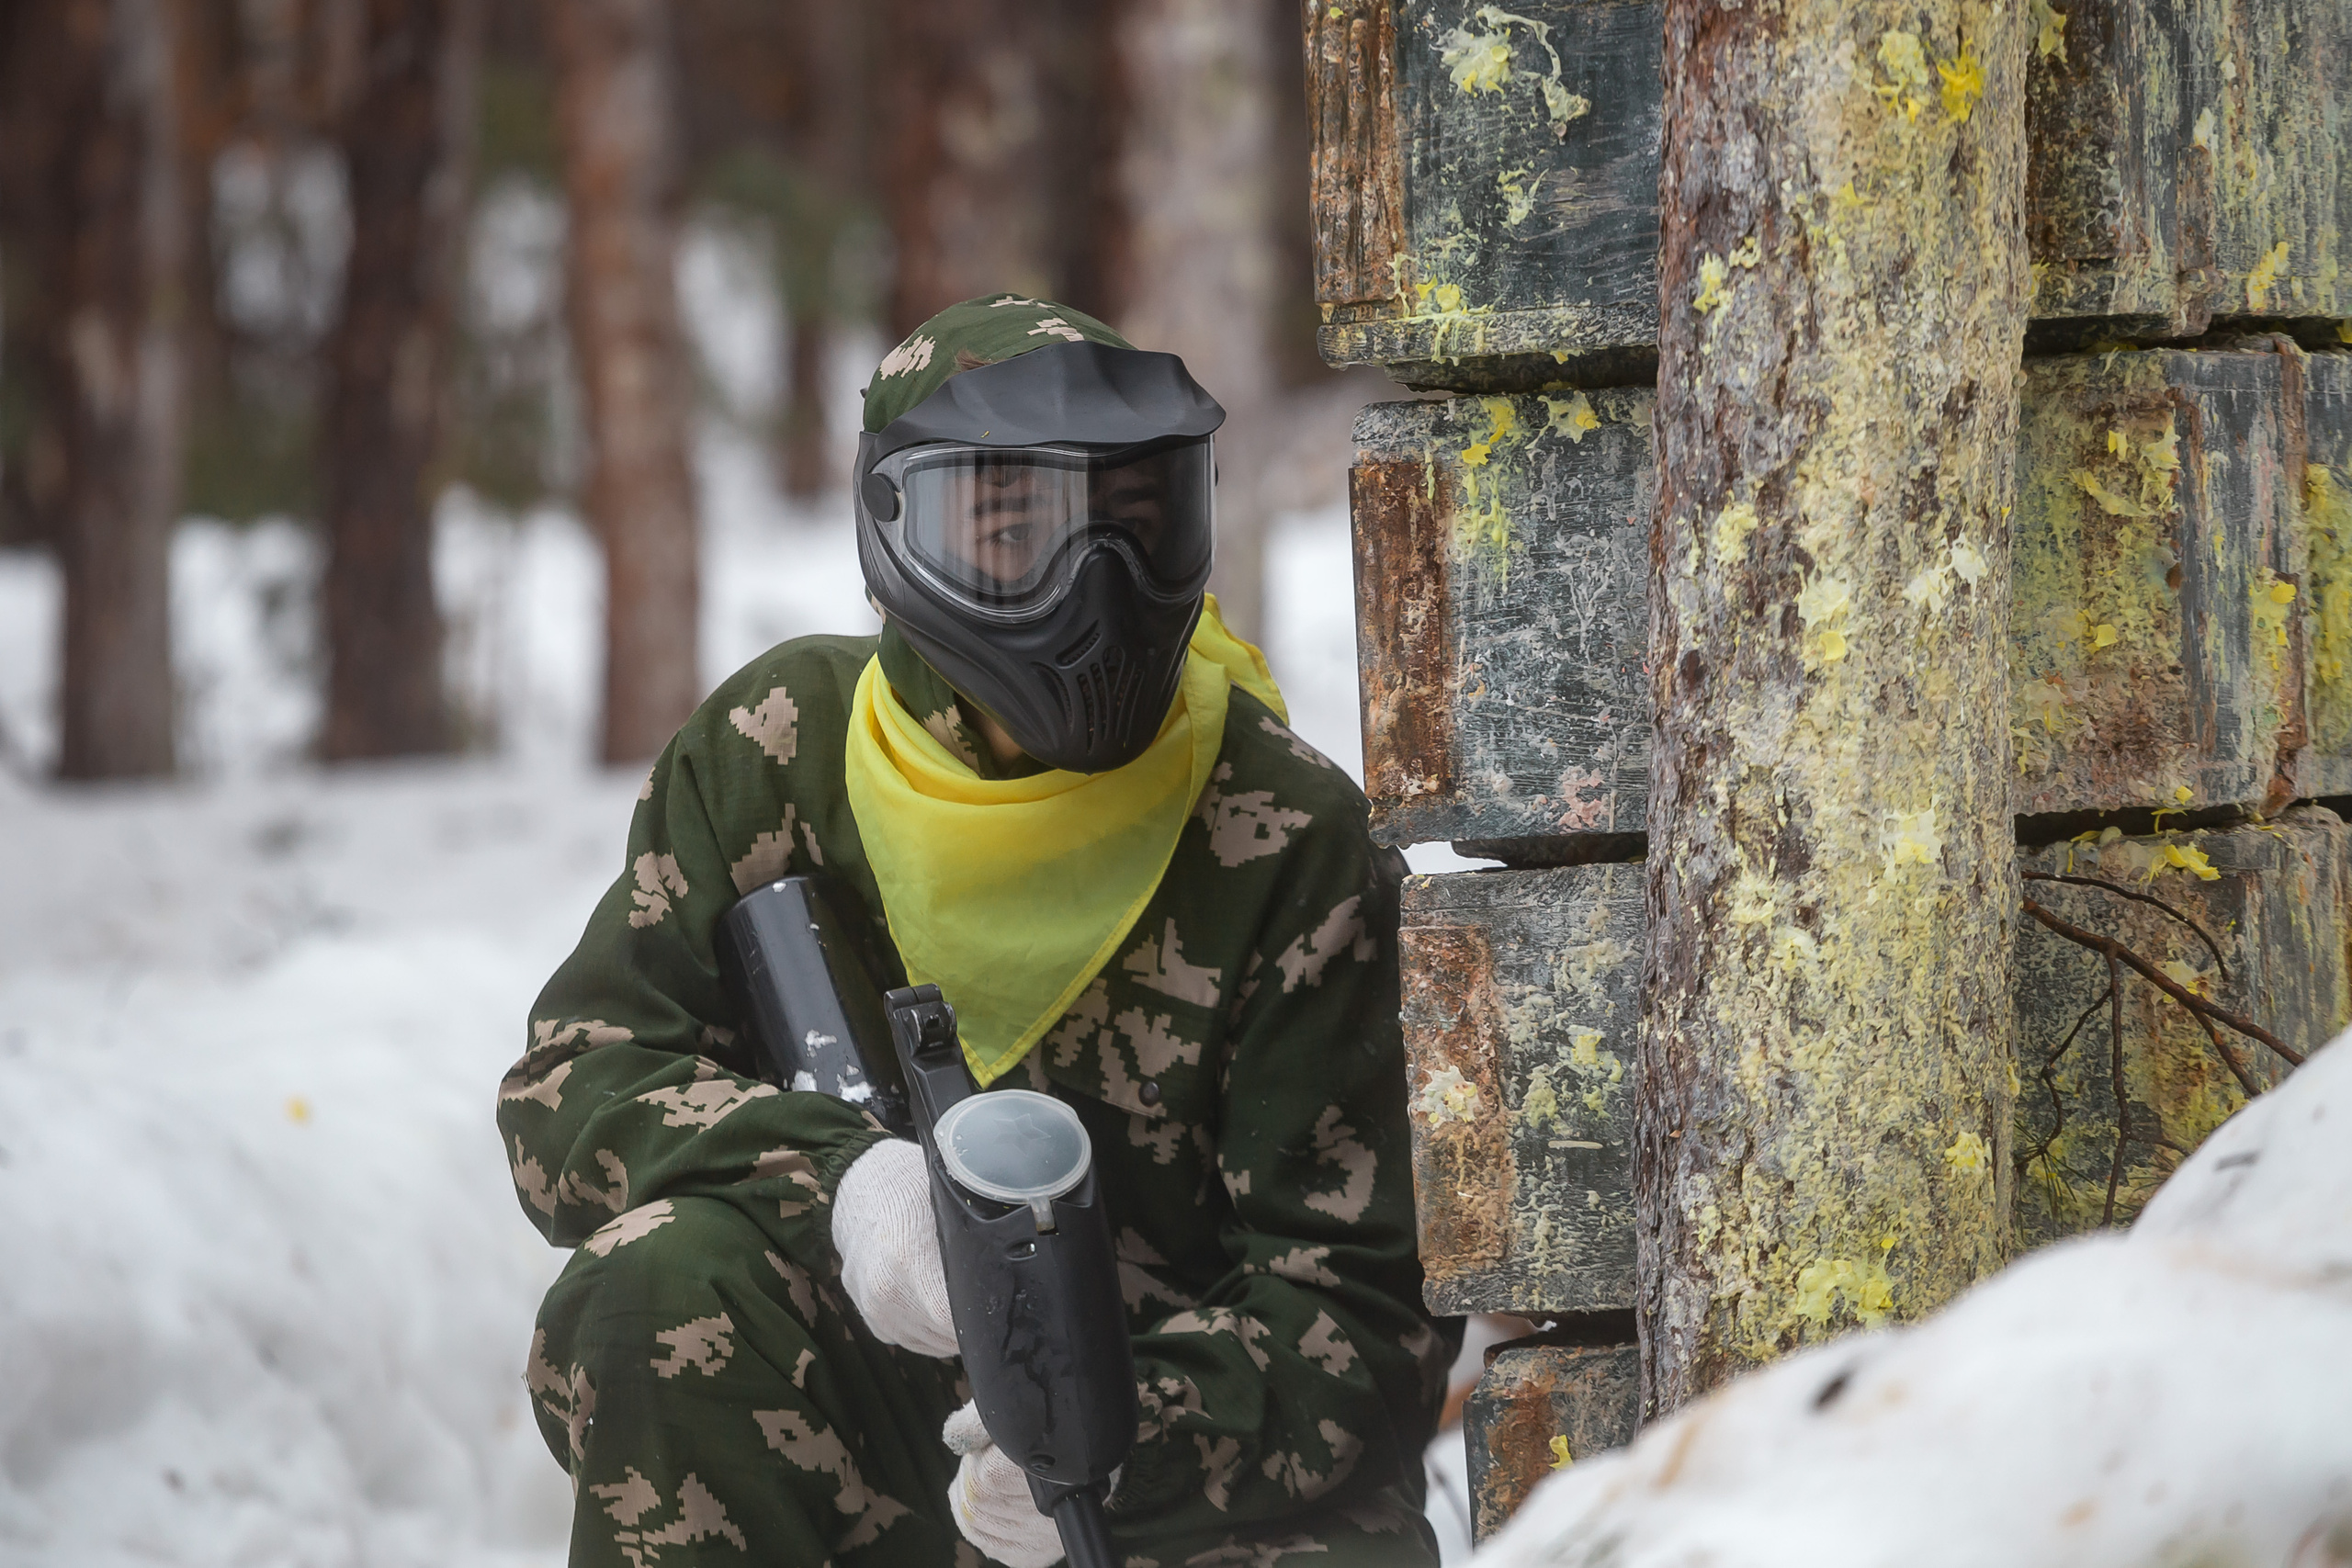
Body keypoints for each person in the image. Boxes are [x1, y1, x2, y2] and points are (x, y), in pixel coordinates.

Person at [498, 295, 1457, 1567]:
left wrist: (1119, 1446)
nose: (1091, 586)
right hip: (869, 1439)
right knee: (653, 1289)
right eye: (1014, 534)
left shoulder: (1282, 835)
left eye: (1136, 524)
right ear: (897, 531)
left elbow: (1365, 1316)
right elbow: (574, 1091)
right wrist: (841, 1182)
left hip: (1189, 1495)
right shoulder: (777, 758)